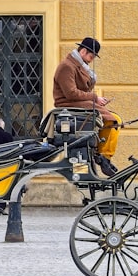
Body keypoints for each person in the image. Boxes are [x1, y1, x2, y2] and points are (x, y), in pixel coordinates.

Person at [52, 36, 120, 176]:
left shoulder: (76, 66)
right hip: (68, 104)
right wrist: (95, 98)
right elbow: (71, 93)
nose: (92, 59)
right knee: (113, 120)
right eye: (92, 55)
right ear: (83, 51)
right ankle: (102, 157)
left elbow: (81, 91)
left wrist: (96, 99)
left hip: (77, 104)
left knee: (114, 119)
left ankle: (103, 156)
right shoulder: (67, 66)